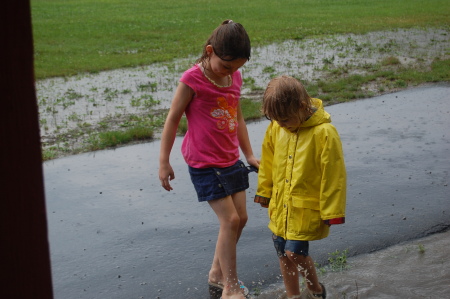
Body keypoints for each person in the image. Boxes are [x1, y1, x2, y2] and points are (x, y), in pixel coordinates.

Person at [158, 20, 259, 299]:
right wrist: (164, 161)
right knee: (230, 220)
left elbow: (236, 115)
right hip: (204, 162)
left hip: (229, 158)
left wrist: (248, 153)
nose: (231, 72)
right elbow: (172, 120)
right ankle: (230, 287)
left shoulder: (234, 77)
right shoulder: (192, 79)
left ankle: (216, 274)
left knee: (242, 219)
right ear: (210, 50)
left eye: (237, 67)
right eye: (226, 66)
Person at [254, 76, 346, 299]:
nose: (281, 124)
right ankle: (293, 295)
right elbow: (267, 162)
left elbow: (334, 174)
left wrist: (332, 210)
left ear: (302, 107)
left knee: (293, 252)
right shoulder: (277, 127)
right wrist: (265, 190)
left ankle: (316, 290)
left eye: (284, 119)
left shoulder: (324, 132)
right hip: (279, 205)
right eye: (276, 119)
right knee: (283, 254)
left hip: (303, 209)